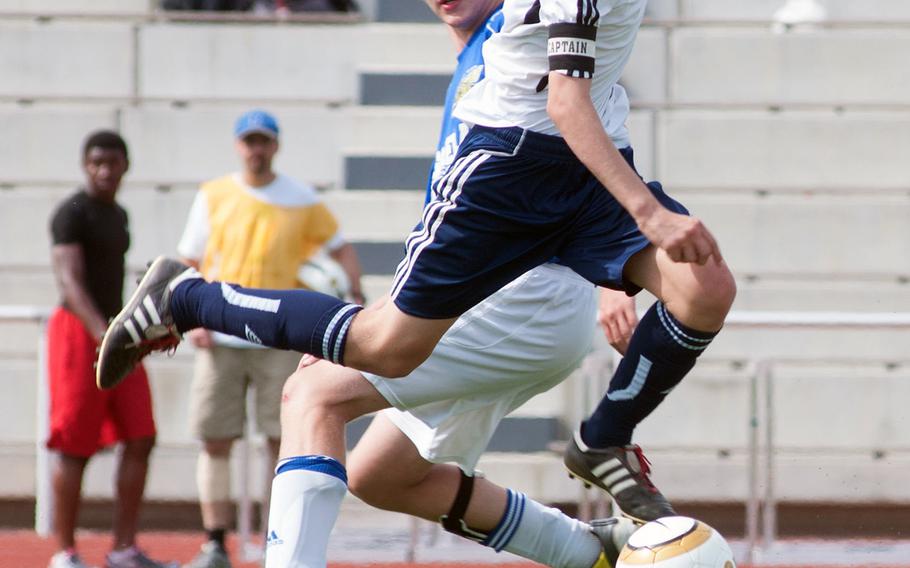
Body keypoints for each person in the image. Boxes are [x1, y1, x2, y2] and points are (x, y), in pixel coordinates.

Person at [98, 0, 735, 534]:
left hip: (577, 172)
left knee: (705, 289)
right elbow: (566, 103)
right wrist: (649, 214)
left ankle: (603, 437)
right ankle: (186, 299)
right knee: (383, 350)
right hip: (511, 167)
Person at [178, 109, 364, 568]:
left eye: (263, 141)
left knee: (280, 441)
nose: (255, 149)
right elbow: (190, 260)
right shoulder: (214, 195)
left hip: (277, 340)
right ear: (238, 145)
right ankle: (215, 542)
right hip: (220, 337)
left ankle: (272, 539)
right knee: (215, 439)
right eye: (248, 141)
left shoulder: (300, 197)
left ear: (275, 146)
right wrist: (191, 319)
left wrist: (355, 292)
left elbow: (339, 246)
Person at [47, 131, 176, 568]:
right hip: (80, 331)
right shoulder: (71, 212)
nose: (104, 170)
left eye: (112, 162)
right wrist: (102, 331)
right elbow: (69, 281)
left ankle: (123, 547)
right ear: (85, 165)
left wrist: (136, 326)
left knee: (141, 434)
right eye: (96, 162)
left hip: (113, 329)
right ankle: (65, 551)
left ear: (125, 166)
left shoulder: (118, 214)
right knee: (74, 442)